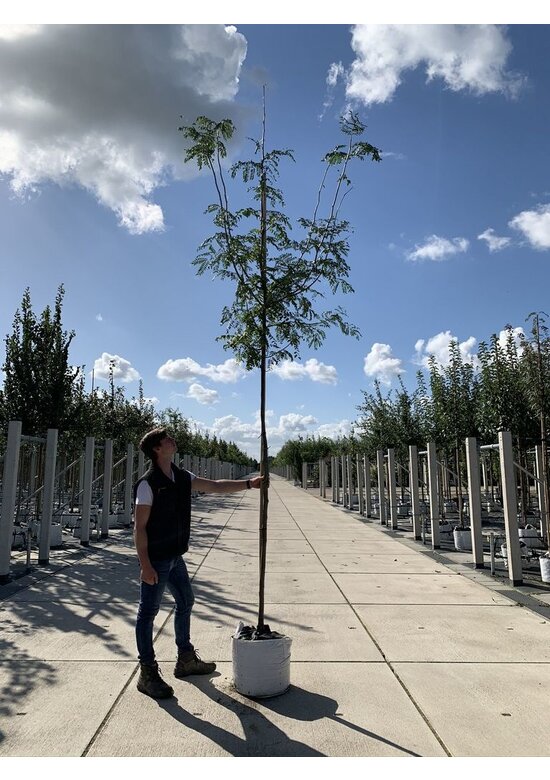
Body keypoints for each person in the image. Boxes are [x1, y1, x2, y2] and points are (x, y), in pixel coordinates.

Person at [133, 427, 262, 699]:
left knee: (186, 602)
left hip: (175, 556)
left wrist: (249, 484)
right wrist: (145, 565)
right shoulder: (148, 484)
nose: (172, 440)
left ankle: (186, 659)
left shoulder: (181, 477)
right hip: (156, 559)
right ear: (157, 449)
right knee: (148, 613)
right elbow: (139, 527)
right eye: (167, 439)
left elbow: (215, 486)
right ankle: (147, 672)